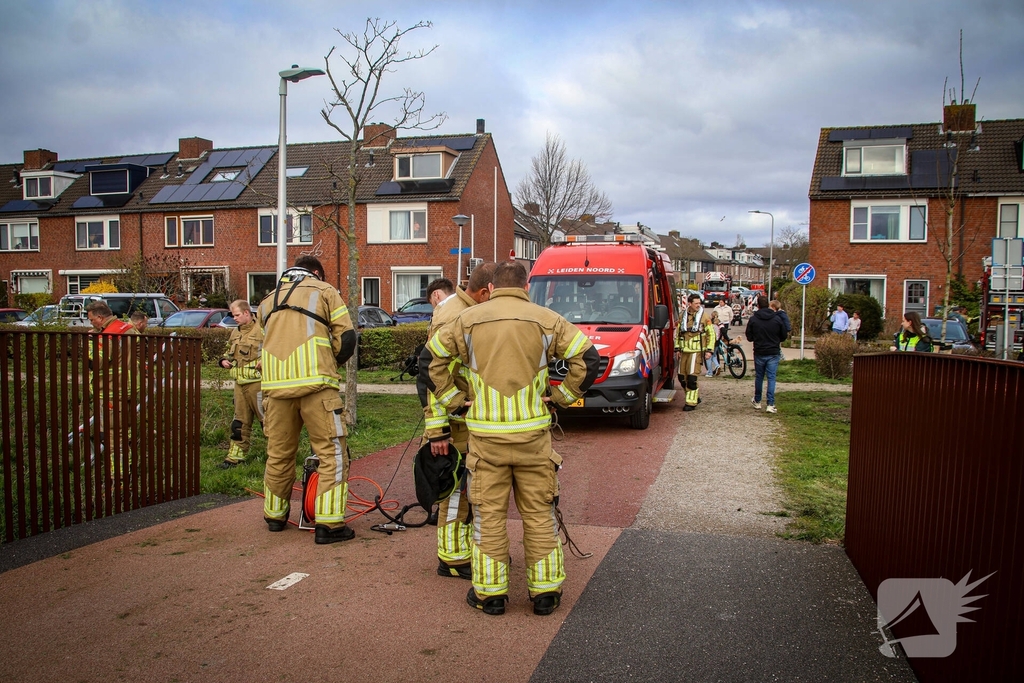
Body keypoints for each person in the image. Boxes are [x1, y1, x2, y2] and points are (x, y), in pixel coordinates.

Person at [426, 261, 600, 617]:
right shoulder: (546, 318)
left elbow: (430, 360)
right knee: (538, 514)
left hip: (486, 440)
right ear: (525, 285)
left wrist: (455, 402)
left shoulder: (466, 320)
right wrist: (563, 397)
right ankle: (545, 593)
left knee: (488, 515)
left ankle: (490, 595)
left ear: (492, 286)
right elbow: (588, 358)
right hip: (533, 439)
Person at [257, 256, 357, 543]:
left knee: (278, 454)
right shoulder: (325, 291)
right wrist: (329, 363)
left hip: (276, 392)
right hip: (317, 387)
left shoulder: (266, 301)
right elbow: (347, 338)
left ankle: (275, 517)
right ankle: (329, 525)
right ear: (315, 272)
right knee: (332, 454)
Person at [417, 263, 496, 580]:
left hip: (466, 421)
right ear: (486, 291)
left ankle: (467, 552)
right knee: (455, 492)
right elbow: (429, 372)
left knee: (468, 491)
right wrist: (438, 431)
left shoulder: (463, 311)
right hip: (454, 425)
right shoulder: (456, 317)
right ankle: (452, 559)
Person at [217, 300, 264, 469]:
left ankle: (278, 457)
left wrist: (264, 361)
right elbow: (229, 352)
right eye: (233, 315)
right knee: (239, 423)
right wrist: (223, 361)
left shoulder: (262, 329)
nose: (234, 318)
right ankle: (235, 457)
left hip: (258, 384)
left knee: (268, 422)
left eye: (237, 315)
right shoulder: (235, 333)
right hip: (240, 385)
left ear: (246, 313)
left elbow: (275, 350)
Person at [745, 296, 788, 414]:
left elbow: (749, 336)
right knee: (771, 378)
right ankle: (770, 404)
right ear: (769, 305)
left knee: (759, 377)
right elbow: (784, 335)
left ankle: (757, 401)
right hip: (773, 351)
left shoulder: (754, 319)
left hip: (759, 351)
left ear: (757, 305)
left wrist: (756, 338)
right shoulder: (777, 319)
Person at [675, 293, 716, 411]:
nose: (699, 305)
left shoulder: (704, 316)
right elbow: (678, 333)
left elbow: (711, 334)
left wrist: (709, 350)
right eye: (696, 303)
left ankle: (691, 403)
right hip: (684, 351)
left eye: (699, 303)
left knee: (692, 379)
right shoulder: (683, 315)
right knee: (682, 377)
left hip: (696, 351)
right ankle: (694, 396)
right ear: (689, 304)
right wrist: (677, 348)